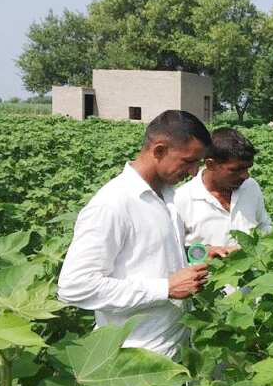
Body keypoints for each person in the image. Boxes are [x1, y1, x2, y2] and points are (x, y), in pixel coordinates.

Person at [58, 110, 212, 360]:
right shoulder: (112, 204)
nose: (194, 172)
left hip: (174, 347)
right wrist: (165, 288)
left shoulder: (168, 194)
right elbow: (75, 286)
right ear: (159, 150)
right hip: (134, 357)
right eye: (188, 161)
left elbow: (149, 255)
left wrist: (198, 254)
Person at [174, 127, 271, 251]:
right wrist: (204, 252)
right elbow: (173, 250)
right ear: (210, 164)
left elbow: (264, 225)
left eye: (247, 168)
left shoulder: (250, 187)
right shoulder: (181, 199)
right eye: (236, 170)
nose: (245, 175)